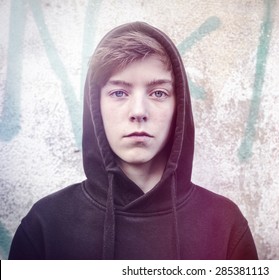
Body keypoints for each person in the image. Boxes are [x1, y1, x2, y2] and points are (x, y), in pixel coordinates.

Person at [8, 22, 258, 260]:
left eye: (158, 93)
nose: (138, 111)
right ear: (96, 106)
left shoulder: (224, 223)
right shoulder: (46, 225)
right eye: (119, 92)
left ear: (178, 107)